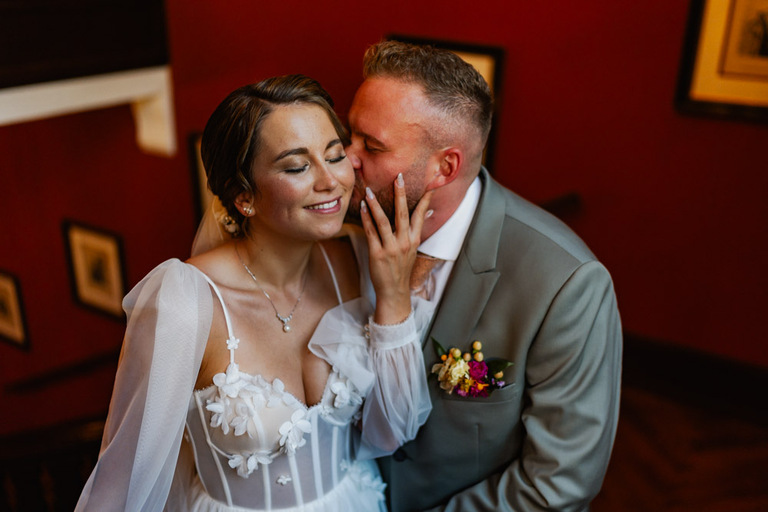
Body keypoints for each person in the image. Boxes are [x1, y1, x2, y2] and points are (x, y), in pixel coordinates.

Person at [75, 74, 435, 512]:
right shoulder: (184, 303)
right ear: (243, 196)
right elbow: (126, 474)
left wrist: (393, 300)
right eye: (297, 166)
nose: (331, 182)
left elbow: (394, 432)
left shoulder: (359, 258)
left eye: (335, 155)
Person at [344, 40, 623, 511]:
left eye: (370, 146)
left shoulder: (565, 284)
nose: (345, 160)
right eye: (348, 135)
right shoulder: (334, 235)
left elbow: (558, 484)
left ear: (444, 166)